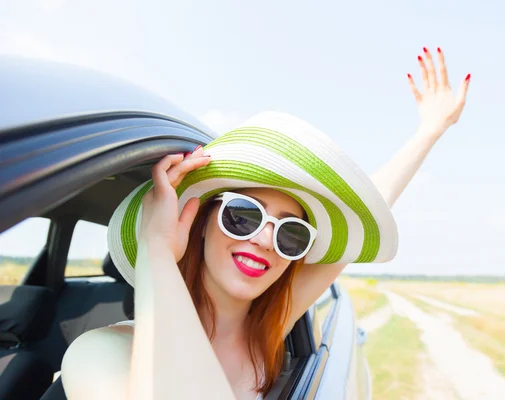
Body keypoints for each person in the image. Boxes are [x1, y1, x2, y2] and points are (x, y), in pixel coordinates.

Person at [61, 47, 470, 400]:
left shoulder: (268, 335)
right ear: (198, 222)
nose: (266, 239)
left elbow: (368, 210)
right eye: (243, 215)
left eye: (292, 232)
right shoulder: (100, 354)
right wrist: (156, 246)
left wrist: (429, 132)